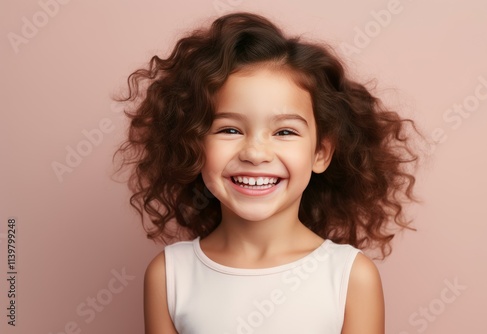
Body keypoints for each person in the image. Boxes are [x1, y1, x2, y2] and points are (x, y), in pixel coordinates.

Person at [115, 11, 419, 334]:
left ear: (321, 153)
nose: (255, 154)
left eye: (284, 132)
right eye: (229, 130)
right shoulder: (169, 276)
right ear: (194, 144)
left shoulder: (350, 277)